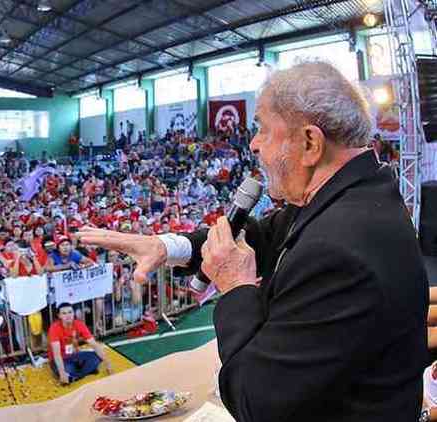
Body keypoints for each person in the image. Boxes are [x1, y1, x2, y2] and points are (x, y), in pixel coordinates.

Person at [75, 61, 428, 421]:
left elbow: (255, 402)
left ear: (310, 142)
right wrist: (166, 247)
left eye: (263, 129)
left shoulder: (339, 248)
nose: (254, 144)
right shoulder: (348, 196)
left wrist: (236, 288)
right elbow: (262, 235)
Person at [47, 302, 112, 385]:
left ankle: (75, 376)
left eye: (70, 312)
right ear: (59, 316)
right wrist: (62, 372)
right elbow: (56, 354)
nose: (68, 315)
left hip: (74, 355)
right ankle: (81, 372)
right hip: (60, 359)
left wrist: (108, 363)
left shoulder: (79, 324)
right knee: (68, 370)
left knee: (97, 357)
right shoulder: (54, 328)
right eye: (64, 313)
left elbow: (94, 345)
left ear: (74, 313)